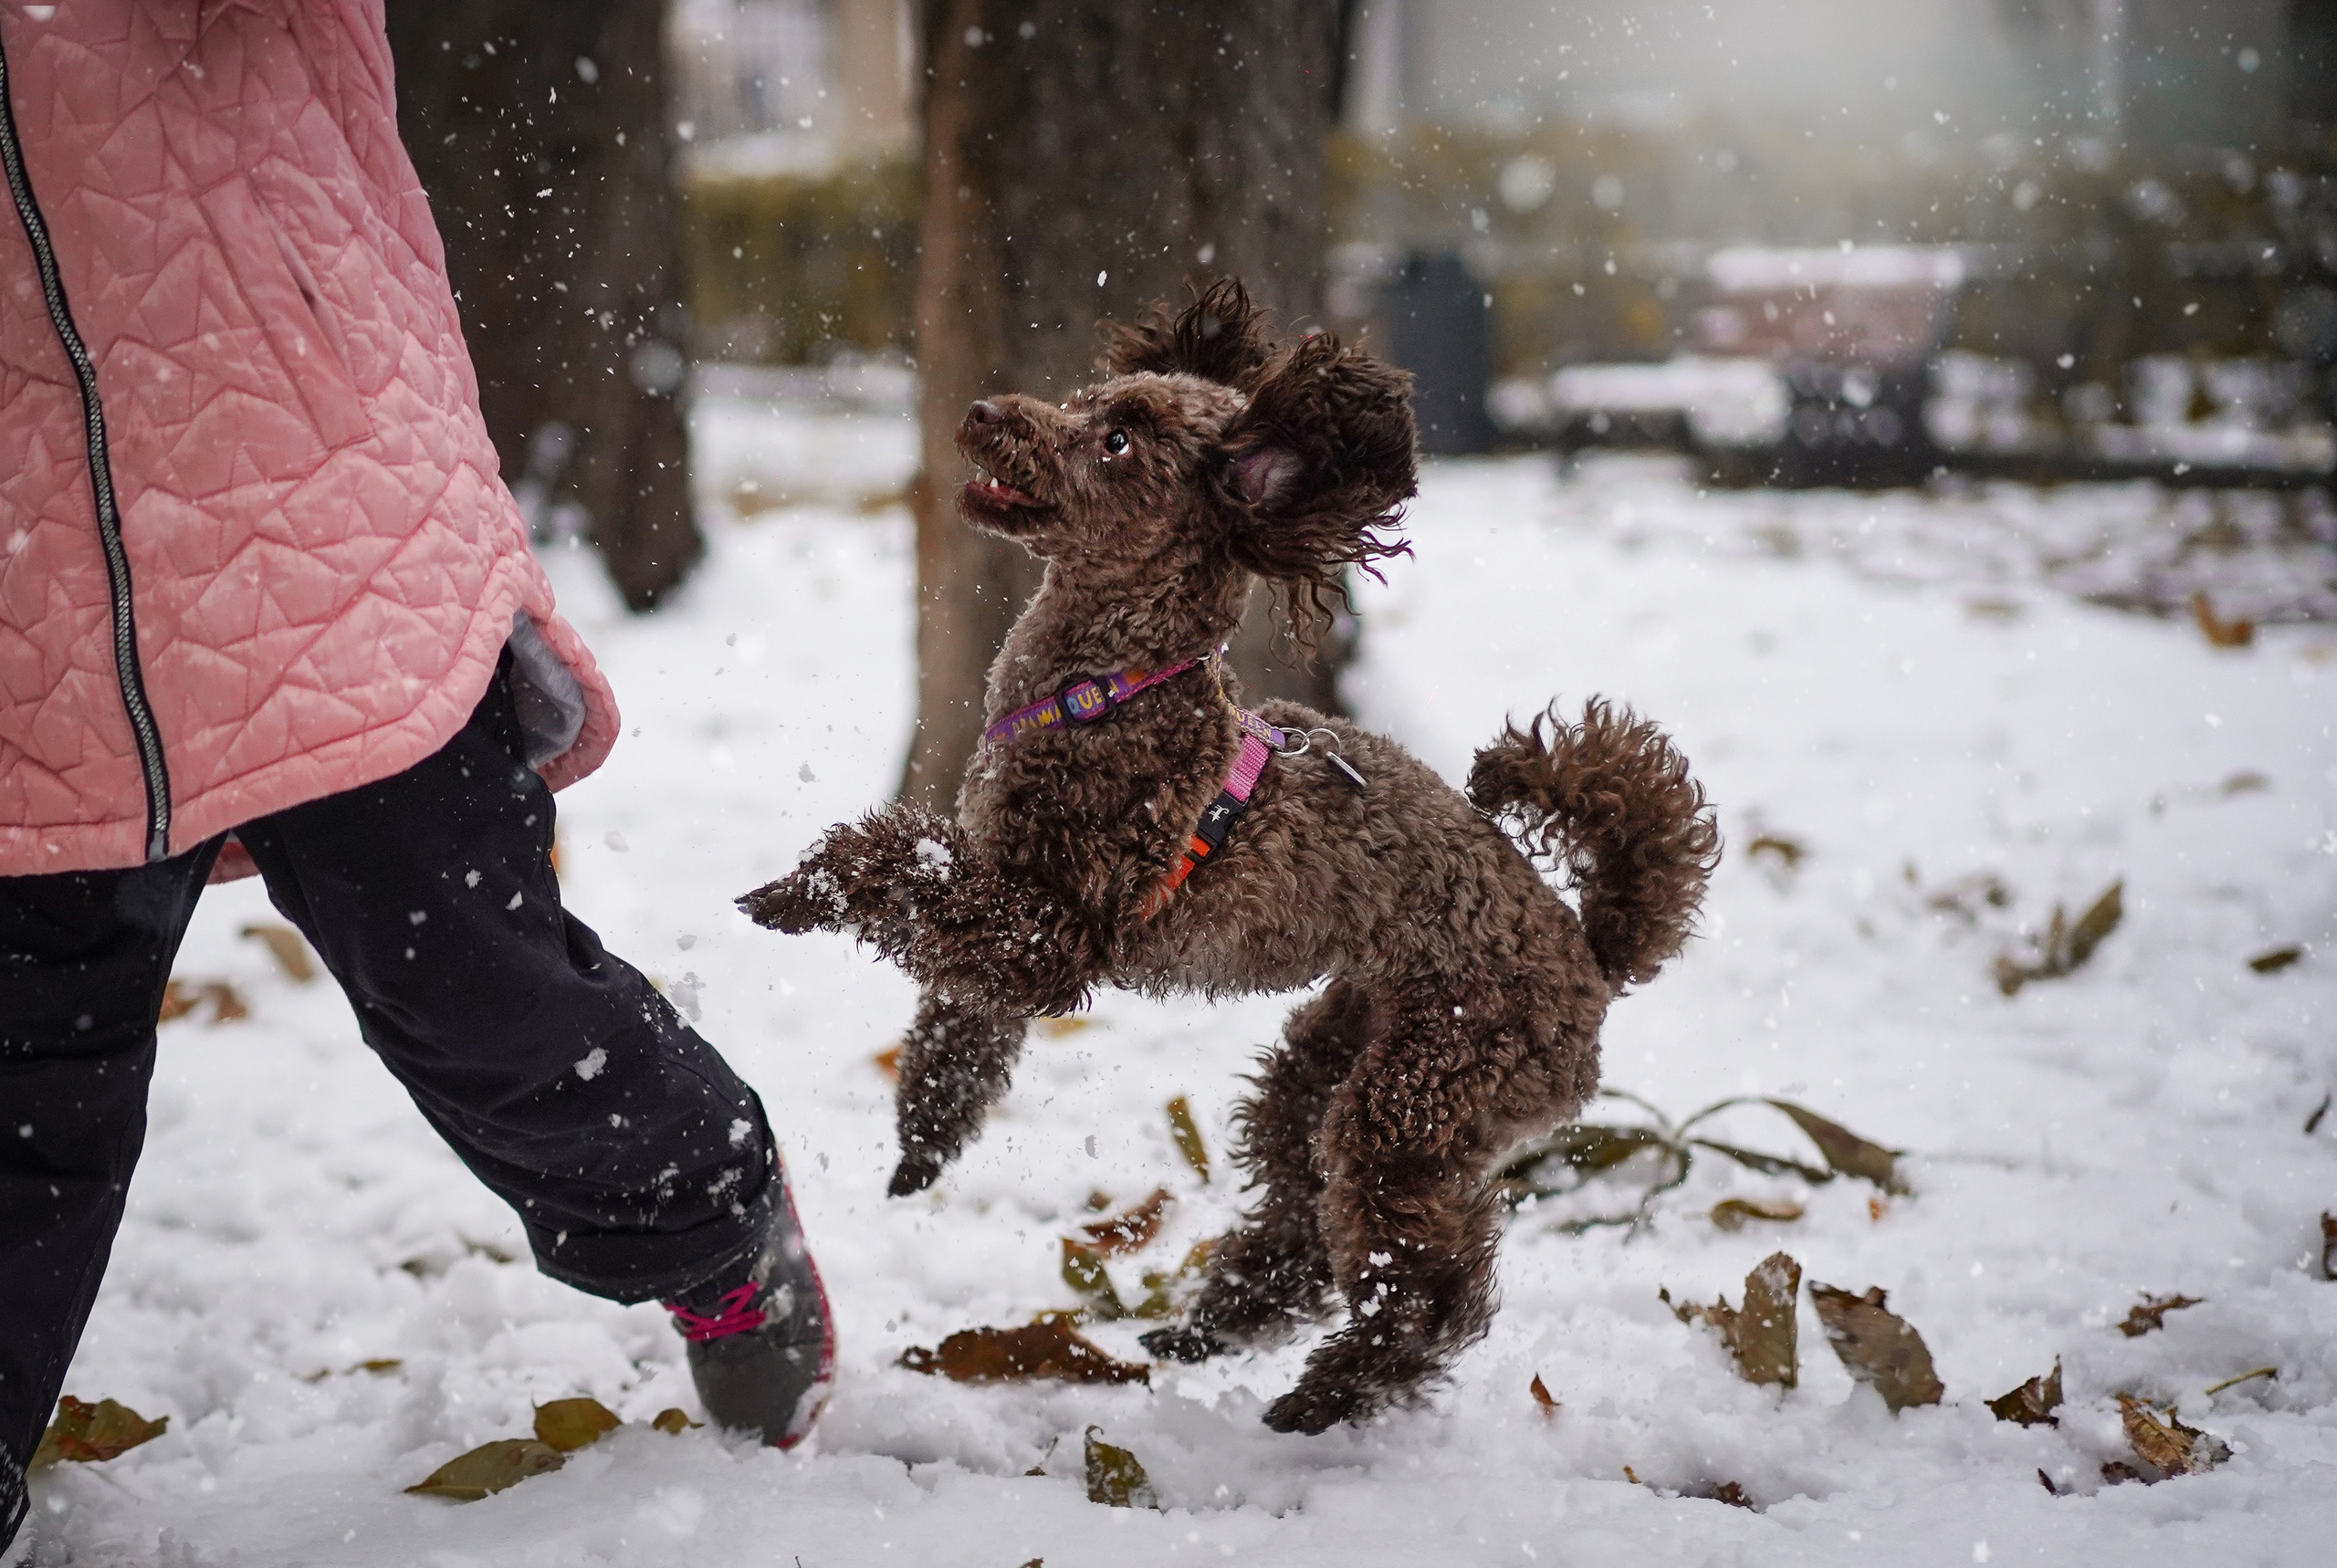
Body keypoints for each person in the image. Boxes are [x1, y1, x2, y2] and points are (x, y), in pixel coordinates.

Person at [0, 6, 829, 1552]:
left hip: (302, 499)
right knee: (19, 1064)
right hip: (25, 578)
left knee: (467, 969)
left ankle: (708, 1219)